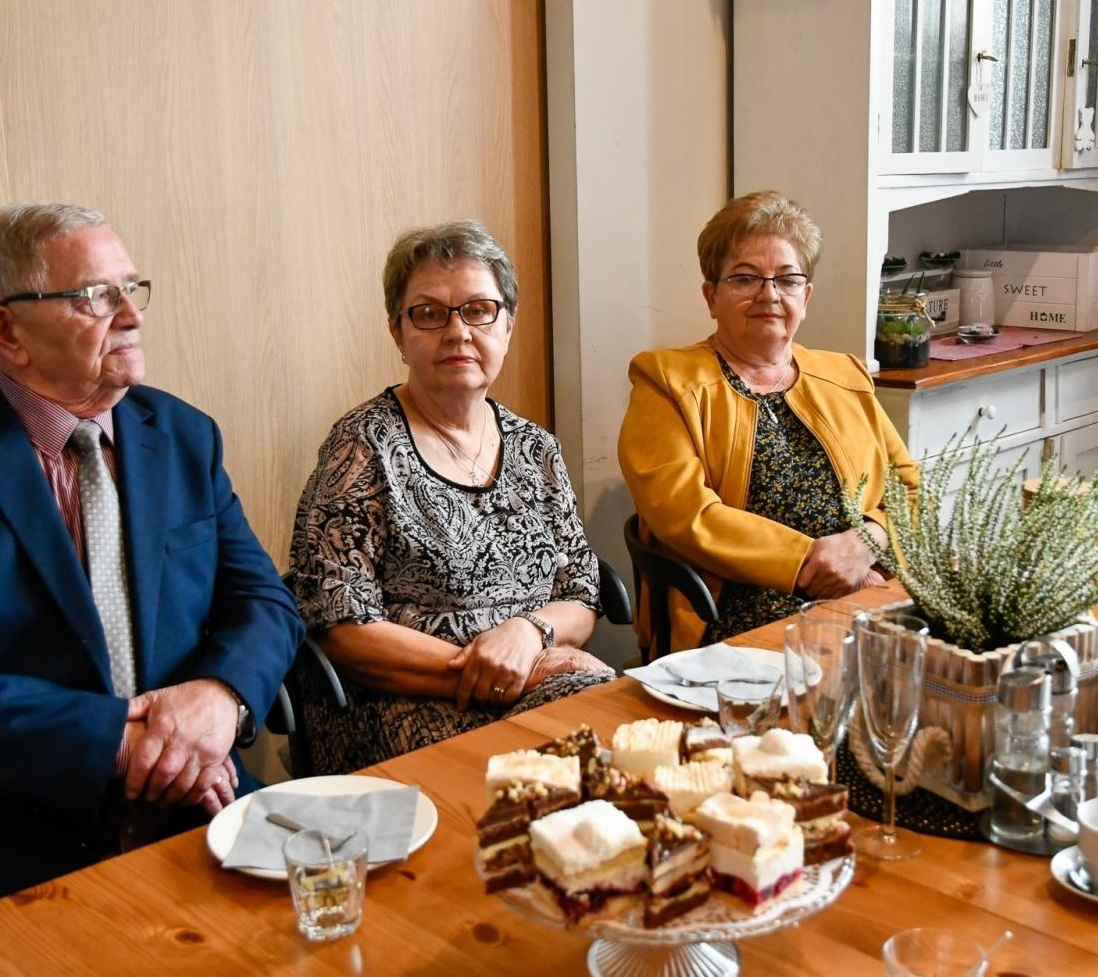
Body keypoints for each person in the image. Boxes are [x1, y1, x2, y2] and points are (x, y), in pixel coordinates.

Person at [0, 204, 304, 946]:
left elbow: (263, 602)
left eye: (132, 288)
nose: (132, 315)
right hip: (2, 839)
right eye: (95, 296)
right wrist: (121, 740)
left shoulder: (183, 433)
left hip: (199, 802)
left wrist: (221, 700)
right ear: (7, 332)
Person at [288, 220, 613, 773]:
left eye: (479, 310)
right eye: (429, 313)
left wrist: (528, 632)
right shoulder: (362, 446)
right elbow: (341, 627)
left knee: (627, 735)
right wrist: (498, 673)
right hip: (403, 702)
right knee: (591, 746)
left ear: (507, 325)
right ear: (398, 333)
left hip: (543, 678)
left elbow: (581, 596)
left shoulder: (536, 448)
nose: (457, 332)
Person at [618, 190, 921, 652]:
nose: (769, 294)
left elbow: (912, 492)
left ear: (806, 296)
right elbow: (687, 516)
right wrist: (810, 563)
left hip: (866, 584)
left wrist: (864, 545)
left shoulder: (845, 375)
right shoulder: (666, 381)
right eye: (745, 279)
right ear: (711, 296)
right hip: (740, 608)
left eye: (787, 279)